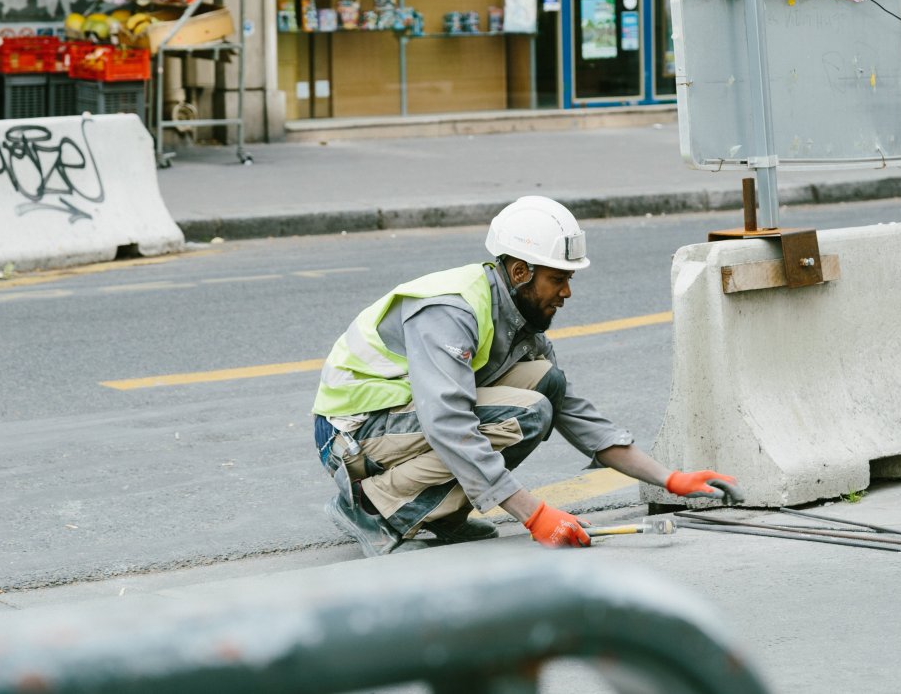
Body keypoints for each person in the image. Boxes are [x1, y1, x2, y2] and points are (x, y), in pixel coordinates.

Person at [311, 196, 742, 556]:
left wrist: (669, 479)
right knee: (528, 413)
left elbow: (575, 413)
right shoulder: (451, 311)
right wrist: (533, 514)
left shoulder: (519, 319)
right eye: (558, 279)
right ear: (520, 272)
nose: (567, 293)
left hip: (399, 423)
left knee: (545, 384)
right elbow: (448, 422)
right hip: (353, 434)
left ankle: (440, 516)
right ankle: (372, 509)